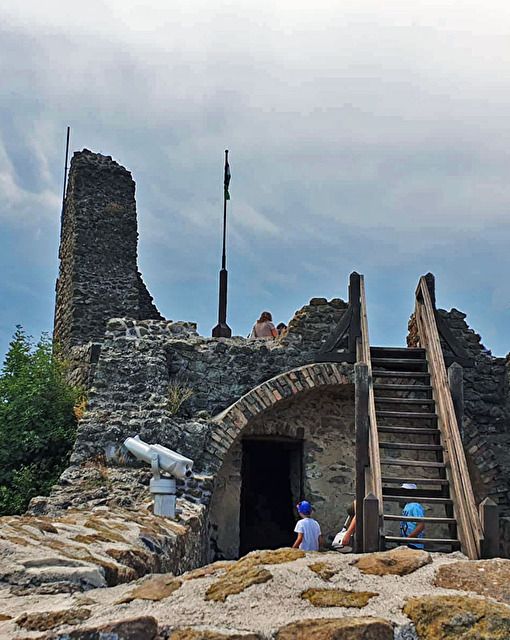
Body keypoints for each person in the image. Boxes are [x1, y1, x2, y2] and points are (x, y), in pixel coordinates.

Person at [399, 483, 425, 549]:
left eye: (406, 492)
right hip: (407, 542)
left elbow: (421, 525)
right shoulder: (407, 506)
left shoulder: (416, 506)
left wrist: (408, 539)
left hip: (414, 544)